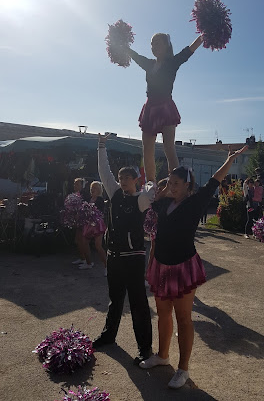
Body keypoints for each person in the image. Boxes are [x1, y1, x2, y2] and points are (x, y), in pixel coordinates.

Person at [139, 145, 249, 389]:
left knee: (184, 318)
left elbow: (213, 182)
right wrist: (164, 189)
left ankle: (183, 369)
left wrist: (229, 160)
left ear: (188, 186)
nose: (172, 187)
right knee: (163, 314)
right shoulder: (163, 204)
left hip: (183, 266)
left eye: (177, 183)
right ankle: (162, 355)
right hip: (162, 265)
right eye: (171, 183)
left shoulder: (195, 202)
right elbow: (151, 202)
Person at [92, 133, 154, 365]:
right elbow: (103, 171)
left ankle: (145, 349)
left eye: (127, 177)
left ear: (136, 180)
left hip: (134, 259)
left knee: (138, 304)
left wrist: (149, 181)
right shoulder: (115, 193)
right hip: (114, 257)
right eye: (120, 177)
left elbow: (152, 187)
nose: (122, 181)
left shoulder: (141, 199)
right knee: (114, 300)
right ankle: (109, 336)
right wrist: (101, 145)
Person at [128, 34, 203, 182]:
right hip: (149, 108)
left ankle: (176, 183)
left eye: (157, 43)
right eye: (152, 44)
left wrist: (203, 35)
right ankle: (150, 185)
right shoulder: (149, 64)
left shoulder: (172, 62)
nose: (154, 47)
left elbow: (188, 50)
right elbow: (134, 55)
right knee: (147, 151)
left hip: (166, 107)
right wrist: (121, 43)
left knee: (169, 147)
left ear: (166, 46)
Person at [79, 181, 107, 274]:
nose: (92, 189)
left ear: (99, 189)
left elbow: (100, 212)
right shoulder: (89, 199)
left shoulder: (100, 200)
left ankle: (107, 267)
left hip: (97, 225)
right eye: (91, 188)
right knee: (84, 243)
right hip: (88, 224)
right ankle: (88, 263)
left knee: (98, 246)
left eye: (94, 187)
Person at [71, 178, 87, 266]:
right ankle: (82, 258)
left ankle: (85, 259)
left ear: (82, 186)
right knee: (77, 240)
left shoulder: (84, 195)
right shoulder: (74, 195)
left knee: (81, 240)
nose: (75, 186)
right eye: (74, 184)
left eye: (77, 184)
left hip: (83, 221)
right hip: (77, 221)